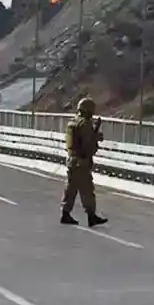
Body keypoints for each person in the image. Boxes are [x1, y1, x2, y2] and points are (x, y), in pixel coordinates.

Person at [62, 97, 107, 227]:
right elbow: (87, 144)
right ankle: (91, 216)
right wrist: (96, 137)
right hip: (81, 161)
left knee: (71, 188)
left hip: (72, 160)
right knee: (87, 190)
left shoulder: (73, 122)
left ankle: (65, 212)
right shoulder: (85, 124)